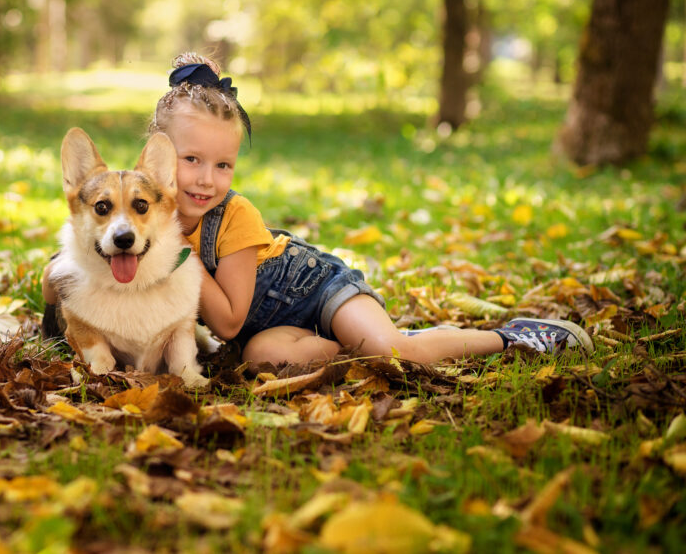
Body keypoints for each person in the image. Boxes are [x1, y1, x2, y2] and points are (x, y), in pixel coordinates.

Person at [43, 52, 594, 367]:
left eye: (224, 165)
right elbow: (86, 265)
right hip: (265, 332)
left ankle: (515, 335)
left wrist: (182, 250)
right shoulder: (136, 216)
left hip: (310, 289)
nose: (207, 180)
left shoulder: (232, 218)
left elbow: (229, 315)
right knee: (262, 363)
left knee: (391, 351)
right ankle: (373, 345)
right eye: (191, 160)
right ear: (159, 164)